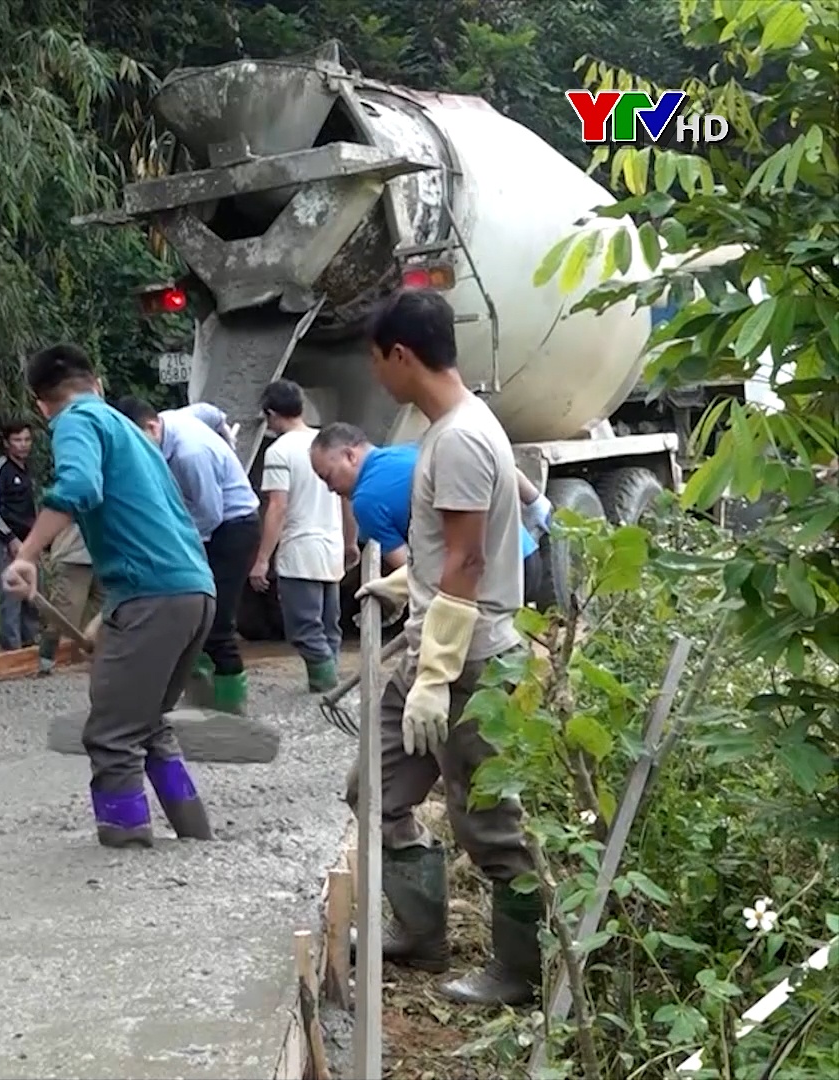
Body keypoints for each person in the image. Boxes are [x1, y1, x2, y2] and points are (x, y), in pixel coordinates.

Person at [354, 288, 539, 1007]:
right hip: (436, 641)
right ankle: (422, 935)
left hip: (470, 661)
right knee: (373, 789)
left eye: (377, 362)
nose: (377, 377)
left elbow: (468, 560)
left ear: (402, 356)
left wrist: (435, 675)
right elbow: (447, 554)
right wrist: (404, 585)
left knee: (491, 823)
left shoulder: (461, 437)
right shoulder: (448, 427)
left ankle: (520, 974)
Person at [0, 344, 217, 849]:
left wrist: (27, 553)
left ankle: (125, 846)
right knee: (146, 725)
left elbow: (79, 485)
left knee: (111, 734)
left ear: (41, 405)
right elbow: (154, 521)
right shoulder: (132, 433)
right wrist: (112, 612)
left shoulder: (77, 420)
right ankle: (196, 837)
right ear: (97, 381)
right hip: (190, 591)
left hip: (152, 596)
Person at [112, 397, 263, 716]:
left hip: (232, 528)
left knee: (217, 619)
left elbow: (209, 515)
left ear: (152, 427)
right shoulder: (173, 418)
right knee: (192, 612)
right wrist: (225, 432)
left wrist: (174, 544)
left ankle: (230, 708)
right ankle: (198, 689)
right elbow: (211, 410)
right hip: (209, 523)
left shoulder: (189, 454)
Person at [308, 423, 554, 604]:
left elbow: (416, 576)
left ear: (350, 456)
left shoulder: (365, 501)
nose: (330, 488)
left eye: (328, 477)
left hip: (489, 577)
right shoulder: (410, 451)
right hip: (524, 555)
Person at [250, 379, 355, 693]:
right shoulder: (327, 444)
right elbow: (347, 496)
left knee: (302, 628)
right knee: (328, 625)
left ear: (271, 414)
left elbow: (277, 507)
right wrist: (351, 540)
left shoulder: (279, 451)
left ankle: (327, 681)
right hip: (332, 546)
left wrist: (262, 559)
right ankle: (326, 685)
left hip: (300, 551)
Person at [0, 418, 41, 650]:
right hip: (5, 542)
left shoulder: (28, 470)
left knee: (34, 594)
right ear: (7, 443)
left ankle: (31, 644)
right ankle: (12, 649)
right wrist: (10, 538)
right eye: (17, 440)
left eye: (27, 439)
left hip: (29, 542)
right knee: (11, 597)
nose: (23, 445)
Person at [35, 522, 99, 676]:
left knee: (107, 615)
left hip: (109, 557)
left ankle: (100, 663)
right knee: (64, 616)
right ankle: (46, 664)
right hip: (74, 556)